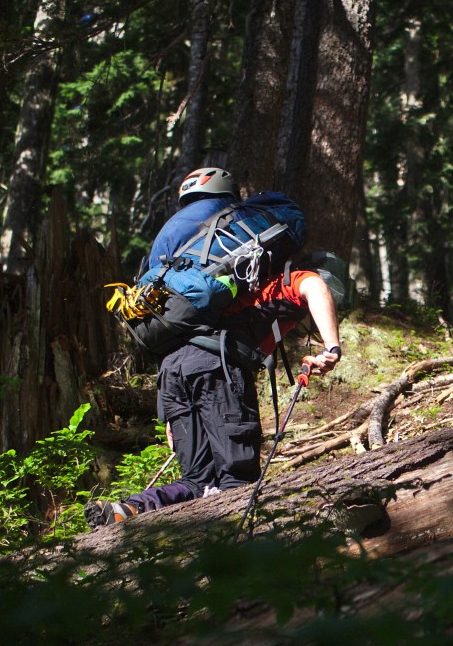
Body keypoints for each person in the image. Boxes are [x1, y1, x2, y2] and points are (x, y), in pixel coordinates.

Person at [85, 168, 341, 528]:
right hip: (215, 365)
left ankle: (132, 509)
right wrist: (332, 346)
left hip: (172, 372)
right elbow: (314, 286)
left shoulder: (174, 245)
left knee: (197, 479)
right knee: (237, 477)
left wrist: (170, 409)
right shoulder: (272, 280)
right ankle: (239, 561)